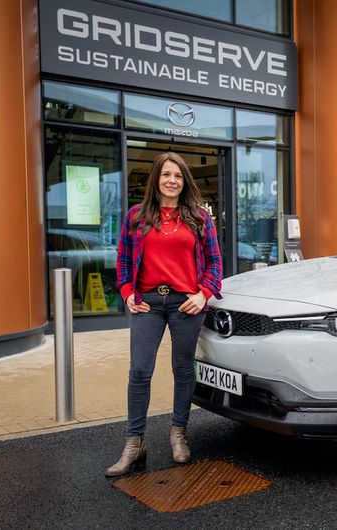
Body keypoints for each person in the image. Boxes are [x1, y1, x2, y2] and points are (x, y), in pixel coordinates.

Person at [106, 152, 222, 477]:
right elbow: (123, 261)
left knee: (183, 369)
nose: (172, 180)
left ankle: (178, 434)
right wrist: (127, 293)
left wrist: (204, 294)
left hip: (186, 304)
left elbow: (215, 262)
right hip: (148, 304)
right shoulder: (136, 217)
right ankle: (134, 444)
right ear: (156, 179)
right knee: (139, 371)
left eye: (178, 176)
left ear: (185, 181)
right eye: (166, 174)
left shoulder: (199, 217)